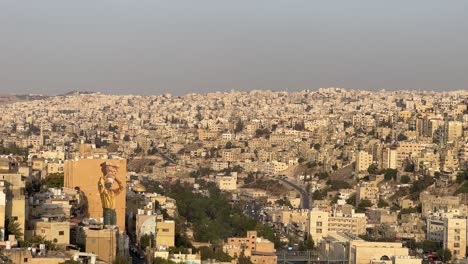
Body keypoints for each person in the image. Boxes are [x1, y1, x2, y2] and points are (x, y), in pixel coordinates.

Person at [98, 162, 124, 226]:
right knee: (107, 226)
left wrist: (115, 178)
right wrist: (106, 176)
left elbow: (121, 188)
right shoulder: (103, 191)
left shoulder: (113, 192)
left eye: (111, 184)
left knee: (114, 227)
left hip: (113, 211)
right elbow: (100, 184)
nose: (110, 185)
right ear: (106, 184)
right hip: (107, 211)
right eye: (109, 184)